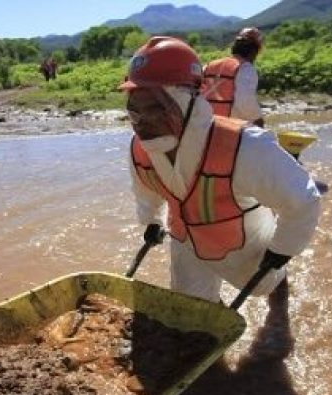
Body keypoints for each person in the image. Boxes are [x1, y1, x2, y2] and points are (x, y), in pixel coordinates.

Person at [120, 36, 321, 310]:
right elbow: (145, 188)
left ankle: (279, 318)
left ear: (189, 99)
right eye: (137, 110)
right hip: (186, 240)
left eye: (156, 107)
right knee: (193, 309)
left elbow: (303, 200)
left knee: (266, 284)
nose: (145, 121)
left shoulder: (245, 145)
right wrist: (153, 221)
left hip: (240, 239)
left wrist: (282, 249)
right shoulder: (140, 148)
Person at [201, 27, 265, 127]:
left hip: (205, 125)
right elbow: (245, 101)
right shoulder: (246, 69)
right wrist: (257, 119)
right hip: (230, 128)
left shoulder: (208, 66)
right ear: (254, 51)